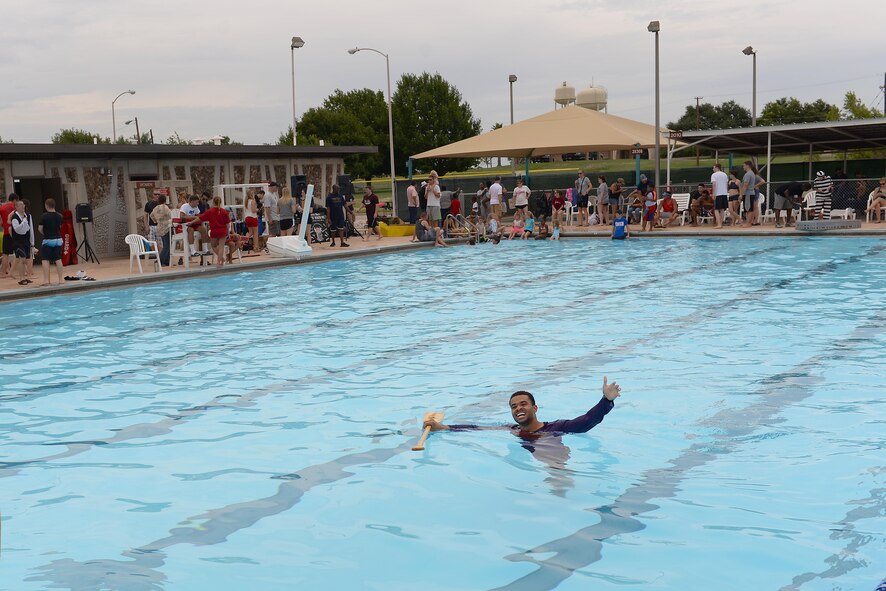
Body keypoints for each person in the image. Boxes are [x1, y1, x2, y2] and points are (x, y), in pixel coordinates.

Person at [423, 376, 621, 437]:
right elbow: (476, 427)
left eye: (524, 404)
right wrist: (443, 427)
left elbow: (587, 421)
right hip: (528, 449)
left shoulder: (555, 428)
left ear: (535, 408)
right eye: (514, 406)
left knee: (558, 480)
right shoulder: (513, 429)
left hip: (550, 450)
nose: (518, 408)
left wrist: (606, 400)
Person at [36, 198, 64, 286]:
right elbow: (60, 226)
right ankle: (61, 279)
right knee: (58, 259)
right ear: (54, 205)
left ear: (46, 206)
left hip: (48, 240)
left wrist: (46, 233)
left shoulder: (44, 216)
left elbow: (40, 229)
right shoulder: (60, 216)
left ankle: (46, 280)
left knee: (45, 260)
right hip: (58, 240)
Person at [197, 196, 231, 268]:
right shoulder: (224, 211)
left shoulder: (210, 211)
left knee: (214, 246)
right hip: (223, 231)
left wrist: (191, 222)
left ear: (213, 202)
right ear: (220, 202)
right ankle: (220, 261)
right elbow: (227, 224)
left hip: (214, 231)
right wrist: (227, 232)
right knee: (221, 247)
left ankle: (221, 259)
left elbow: (200, 218)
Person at [9, 197, 35, 285]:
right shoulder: (14, 217)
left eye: (23, 205)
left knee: (26, 260)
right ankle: (21, 278)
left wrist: (32, 243)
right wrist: (24, 221)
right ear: (16, 207)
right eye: (20, 205)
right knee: (22, 259)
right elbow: (17, 230)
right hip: (18, 242)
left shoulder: (28, 215)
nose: (22, 206)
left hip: (26, 241)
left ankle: (26, 277)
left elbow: (30, 229)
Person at [150, 193, 173, 267]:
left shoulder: (155, 208)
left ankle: (167, 261)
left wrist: (156, 220)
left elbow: (151, 215)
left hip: (159, 227)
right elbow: (170, 215)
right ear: (165, 200)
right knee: (168, 245)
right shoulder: (165, 207)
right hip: (166, 227)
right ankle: (160, 260)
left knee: (165, 244)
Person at [1, 192, 19, 278]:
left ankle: (4, 272)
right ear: (15, 200)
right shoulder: (15, 208)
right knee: (20, 252)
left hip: (6, 232)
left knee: (5, 254)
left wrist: (3, 224)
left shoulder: (2, 208)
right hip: (15, 232)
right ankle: (28, 272)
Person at [741, 161, 759, 227]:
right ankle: (749, 223)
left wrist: (741, 194)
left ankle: (748, 223)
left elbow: (745, 185)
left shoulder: (748, 174)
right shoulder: (752, 173)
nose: (743, 167)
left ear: (747, 166)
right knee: (749, 208)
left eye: (744, 165)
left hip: (748, 193)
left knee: (748, 209)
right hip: (751, 193)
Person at [711, 163, 729, 229]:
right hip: (724, 193)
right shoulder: (724, 174)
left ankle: (719, 224)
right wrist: (726, 192)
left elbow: (714, 185)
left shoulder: (714, 175)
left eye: (713, 168)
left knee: (716, 209)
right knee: (722, 209)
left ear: (716, 167)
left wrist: (713, 194)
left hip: (718, 193)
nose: (713, 169)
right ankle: (721, 223)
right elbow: (726, 184)